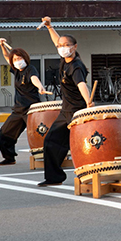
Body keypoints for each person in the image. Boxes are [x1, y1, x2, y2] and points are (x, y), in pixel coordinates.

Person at [37, 17, 93, 187]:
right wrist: (49, 27)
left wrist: (88, 102)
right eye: (60, 46)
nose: (62, 48)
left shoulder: (75, 66)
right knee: (51, 141)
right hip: (66, 110)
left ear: (74, 47)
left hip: (77, 111)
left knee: (85, 145)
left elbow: (82, 84)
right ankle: (54, 178)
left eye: (65, 45)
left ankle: (91, 175)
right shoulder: (65, 60)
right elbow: (57, 40)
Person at [0, 39, 48, 166]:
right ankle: (9, 158)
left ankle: (51, 158)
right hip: (18, 110)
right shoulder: (16, 71)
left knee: (41, 134)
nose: (17, 61)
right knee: (4, 134)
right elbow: (6, 56)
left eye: (19, 58)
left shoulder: (30, 69)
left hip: (31, 110)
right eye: (15, 60)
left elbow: (34, 79)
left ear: (25, 58)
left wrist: (40, 87)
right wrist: (2, 45)